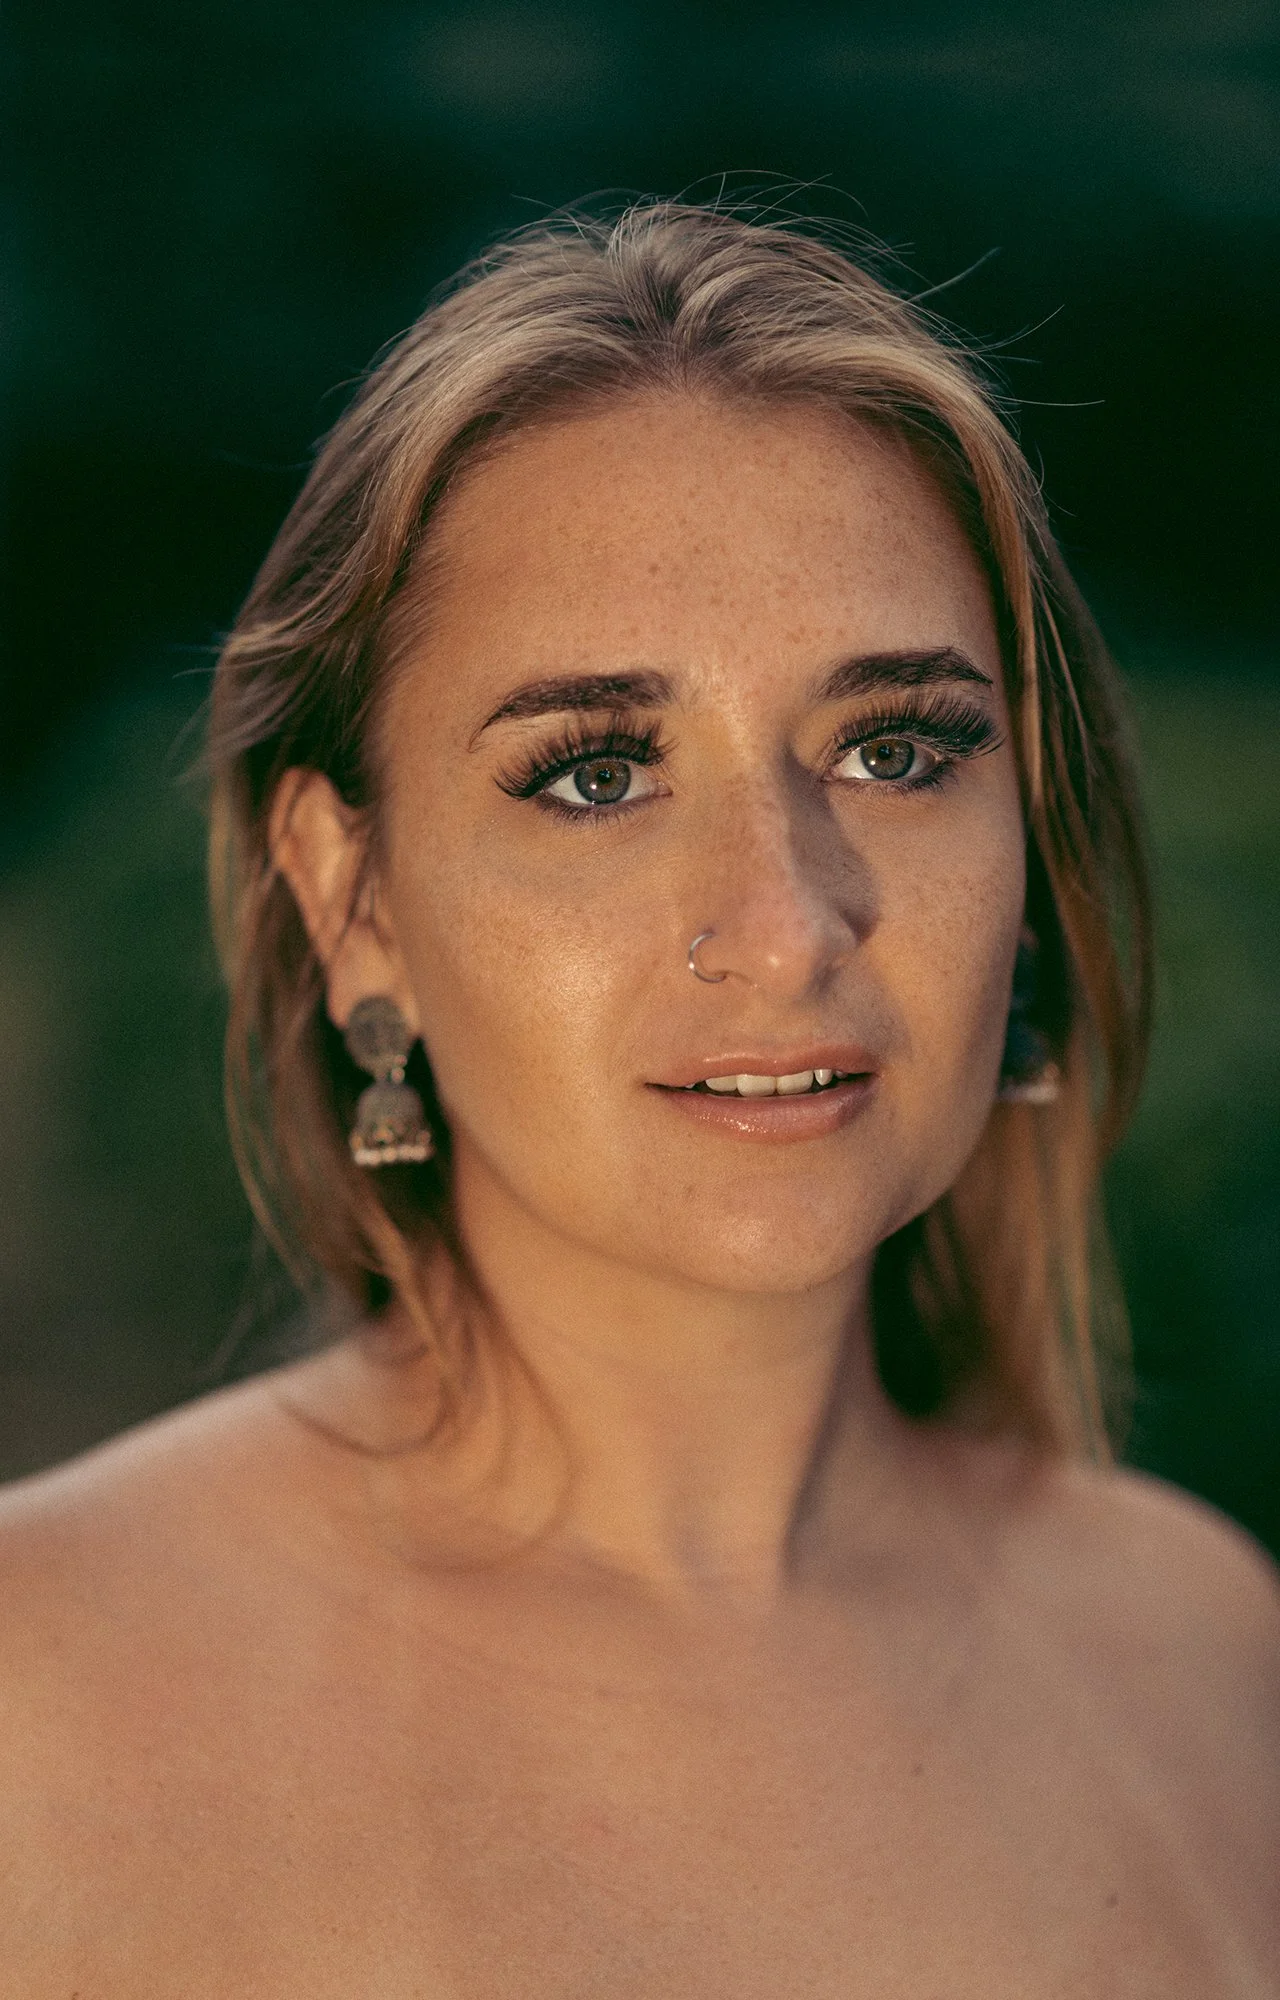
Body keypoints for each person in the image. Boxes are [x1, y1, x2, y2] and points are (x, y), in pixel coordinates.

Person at [0, 200, 1275, 1996]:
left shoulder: (1202, 1653)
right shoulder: (35, 1712)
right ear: (352, 904)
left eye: (896, 749)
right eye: (596, 774)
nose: (786, 922)